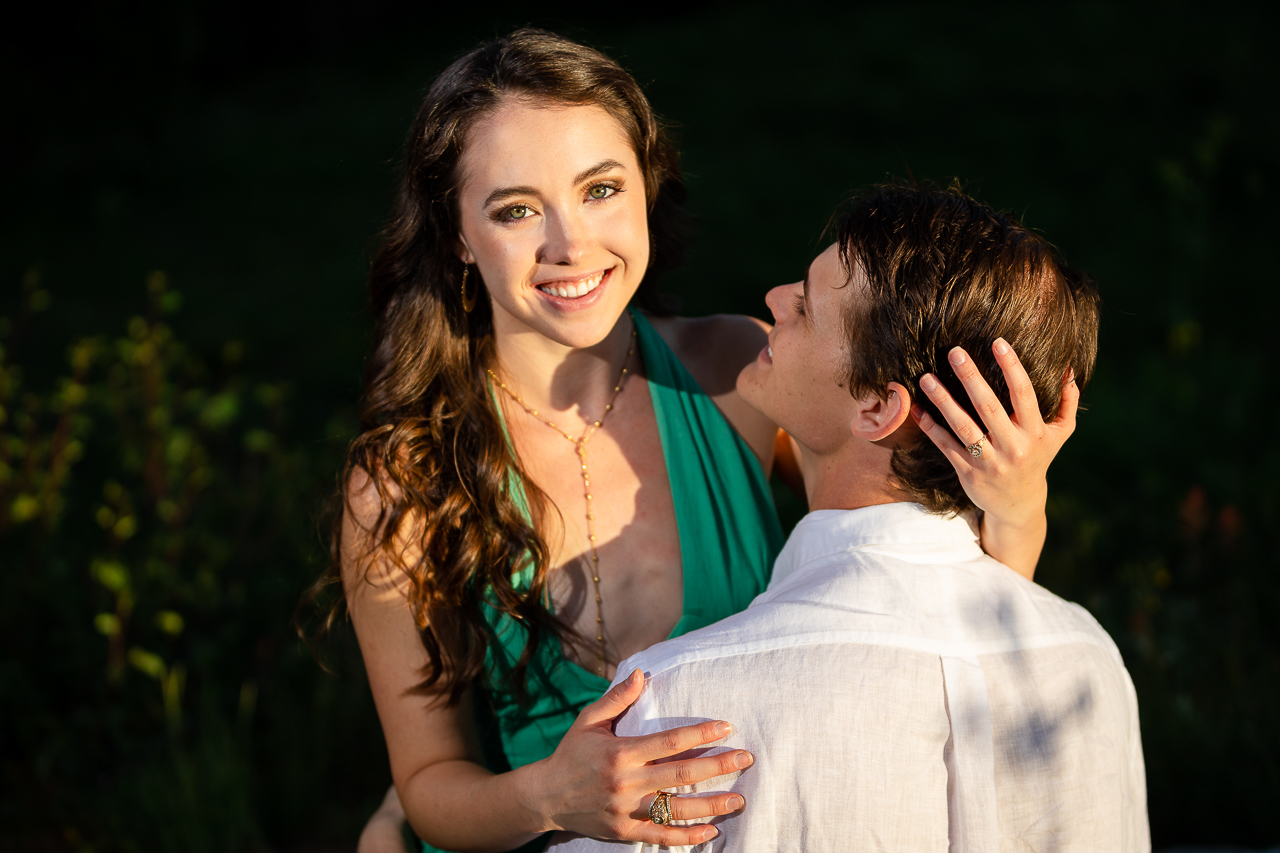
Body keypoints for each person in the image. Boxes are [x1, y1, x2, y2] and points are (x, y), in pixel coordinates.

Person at [330, 30, 1073, 853]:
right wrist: (551, 793)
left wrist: (1014, 504)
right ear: (457, 234)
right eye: (516, 209)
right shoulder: (401, 484)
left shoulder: (738, 374)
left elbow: (930, 598)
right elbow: (429, 786)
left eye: (600, 189)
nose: (570, 245)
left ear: (648, 186)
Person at [549, 182, 1149, 852]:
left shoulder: (681, 699)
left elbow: (643, 825)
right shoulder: (1088, 661)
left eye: (805, 307)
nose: (774, 300)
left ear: (876, 410)